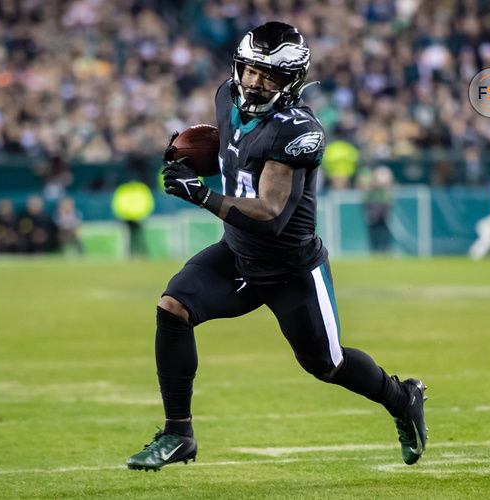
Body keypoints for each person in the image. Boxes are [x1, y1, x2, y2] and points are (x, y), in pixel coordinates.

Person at [126, 22, 427, 471]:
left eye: (269, 75)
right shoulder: (225, 98)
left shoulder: (298, 130)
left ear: (293, 81)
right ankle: (178, 433)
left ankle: (403, 397)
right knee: (173, 308)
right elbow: (230, 147)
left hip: (290, 268)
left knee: (327, 364)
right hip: (238, 254)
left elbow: (270, 215)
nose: (254, 82)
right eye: (250, 70)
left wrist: (202, 194)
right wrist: (191, 154)